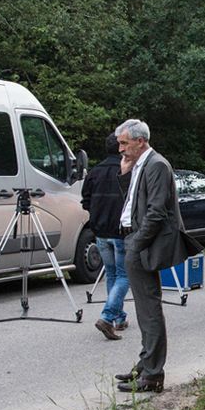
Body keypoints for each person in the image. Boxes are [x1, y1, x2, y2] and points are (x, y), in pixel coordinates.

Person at [113, 119, 201, 393]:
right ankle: (145, 364)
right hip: (135, 240)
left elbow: (156, 211)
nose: (121, 149)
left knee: (149, 310)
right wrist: (125, 173)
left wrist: (136, 244)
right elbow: (133, 204)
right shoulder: (141, 164)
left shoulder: (157, 165)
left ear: (141, 141)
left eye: (124, 143)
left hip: (143, 244)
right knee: (143, 309)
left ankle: (152, 375)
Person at [81, 132, 129, 340]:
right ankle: (108, 316)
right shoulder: (126, 170)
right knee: (124, 275)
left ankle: (119, 316)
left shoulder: (95, 172)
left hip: (100, 231)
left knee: (111, 274)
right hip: (120, 231)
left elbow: (85, 201)